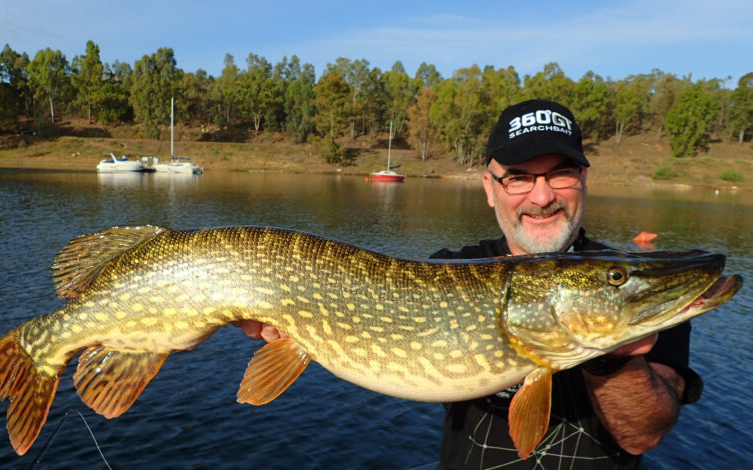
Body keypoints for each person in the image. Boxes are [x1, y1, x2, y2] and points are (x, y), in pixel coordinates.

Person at [235, 99, 703, 469]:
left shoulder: (626, 288)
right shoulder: (445, 271)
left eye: (560, 173)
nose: (542, 196)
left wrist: (611, 354)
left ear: (583, 180)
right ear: (489, 187)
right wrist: (290, 321)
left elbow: (643, 434)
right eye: (518, 178)